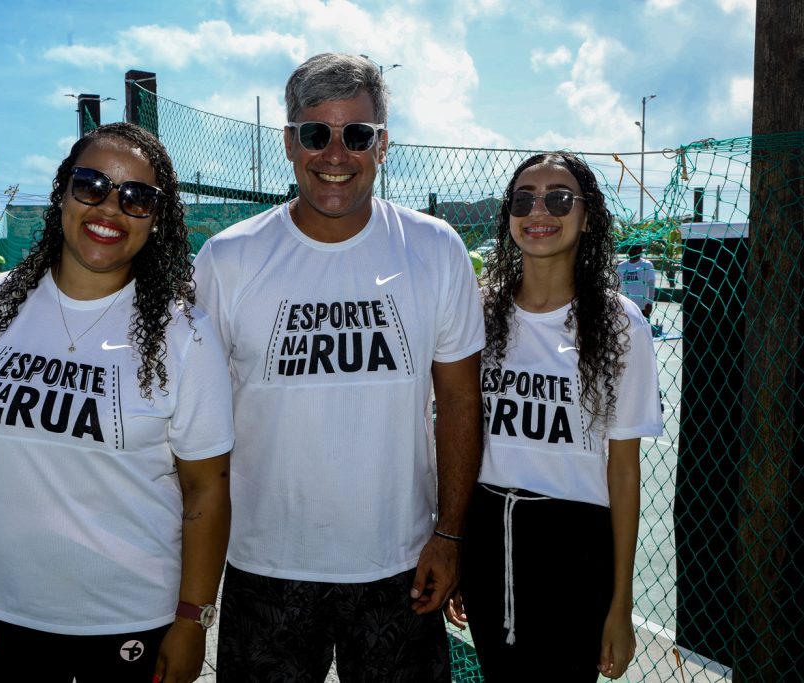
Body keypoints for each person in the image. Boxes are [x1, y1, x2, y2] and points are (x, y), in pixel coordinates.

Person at [193, 53, 485, 681]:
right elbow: (196, 426)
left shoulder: (435, 248)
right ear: (289, 141)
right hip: (264, 565)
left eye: (355, 134)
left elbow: (460, 401)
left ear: (381, 145)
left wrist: (451, 534)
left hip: (398, 567)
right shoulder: (228, 260)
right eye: (315, 132)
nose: (335, 153)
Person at [0, 122, 234, 683]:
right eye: (91, 184)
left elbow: (206, 485)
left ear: (156, 219)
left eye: (137, 197)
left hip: (135, 623)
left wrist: (194, 619)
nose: (110, 208)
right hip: (5, 614)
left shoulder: (185, 333)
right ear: (63, 192)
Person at [446, 152, 663, 681]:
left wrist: (620, 601)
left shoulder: (619, 325)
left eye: (559, 198)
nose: (539, 210)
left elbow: (624, 469)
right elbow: (452, 434)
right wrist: (452, 544)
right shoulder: (477, 312)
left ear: (587, 216)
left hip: (575, 546)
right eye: (524, 199)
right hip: (486, 536)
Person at [617, 243, 656, 318]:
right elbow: (617, 286)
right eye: (631, 248)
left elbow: (651, 285)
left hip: (642, 308)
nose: (633, 251)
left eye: (636, 248)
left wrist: (650, 303)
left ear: (640, 250)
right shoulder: (621, 266)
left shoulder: (647, 265)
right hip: (625, 308)